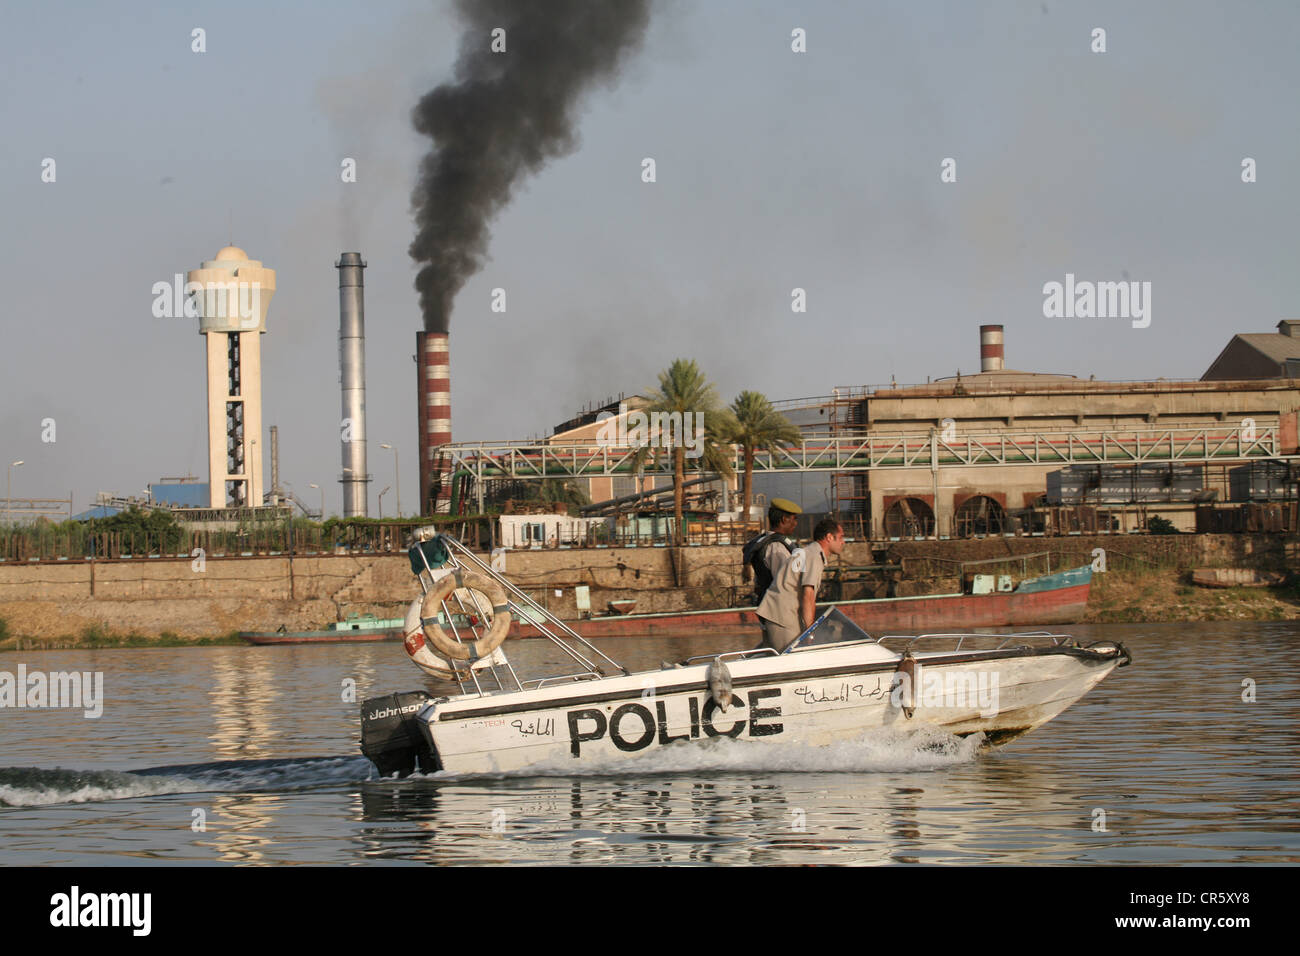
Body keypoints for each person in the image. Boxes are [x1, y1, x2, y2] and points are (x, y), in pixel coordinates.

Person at [756, 517, 846, 651]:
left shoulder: (808, 552)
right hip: (783, 618)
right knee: (791, 660)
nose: (843, 542)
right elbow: (808, 596)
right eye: (841, 537)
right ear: (829, 537)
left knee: (774, 660)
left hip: (777, 615)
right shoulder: (814, 556)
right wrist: (810, 632)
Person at [741, 498, 802, 606]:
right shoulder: (777, 547)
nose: (796, 523)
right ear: (784, 519)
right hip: (780, 608)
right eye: (794, 519)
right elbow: (785, 584)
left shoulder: (764, 542)